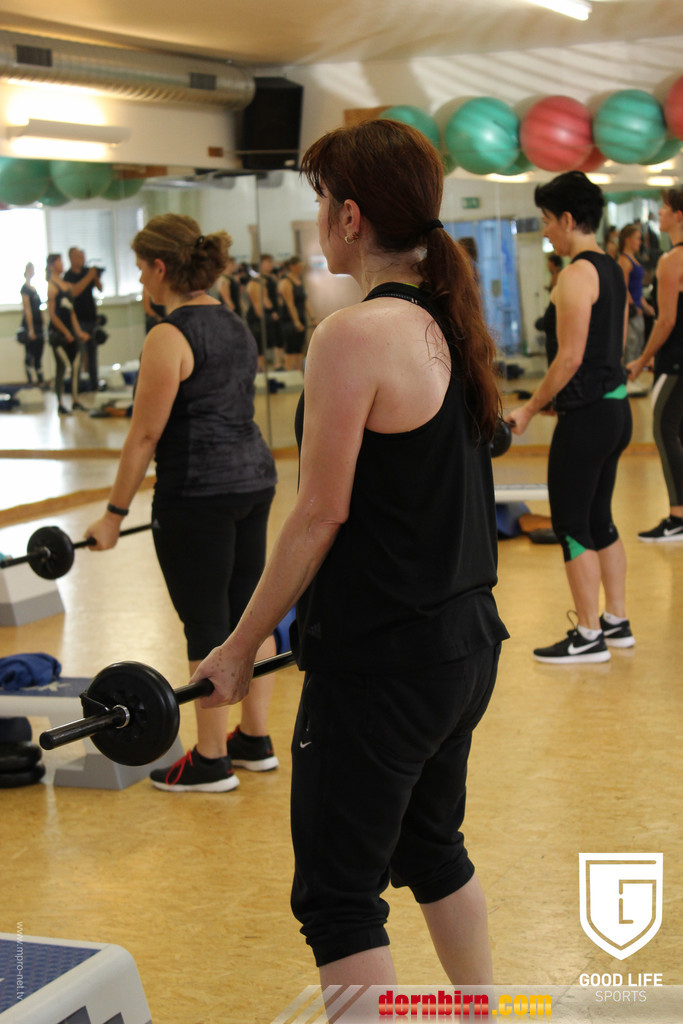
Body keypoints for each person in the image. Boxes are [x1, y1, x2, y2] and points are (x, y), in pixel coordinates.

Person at [191, 119, 508, 998]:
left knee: (336, 898)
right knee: (431, 847)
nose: (321, 216)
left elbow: (317, 515)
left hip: (383, 663)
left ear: (351, 217)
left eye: (323, 199)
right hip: (461, 647)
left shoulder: (352, 334)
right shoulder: (445, 317)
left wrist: (238, 647)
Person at [85, 214, 279, 792]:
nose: (140, 280)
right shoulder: (234, 322)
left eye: (141, 268)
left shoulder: (168, 335)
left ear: (160, 266)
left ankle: (211, 759)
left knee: (207, 624)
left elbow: (145, 434)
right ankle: (255, 739)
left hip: (197, 495)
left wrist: (113, 516)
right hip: (253, 483)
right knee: (249, 614)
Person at [509, 171, 634, 663]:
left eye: (545, 221)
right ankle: (616, 622)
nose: (545, 232)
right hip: (615, 409)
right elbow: (612, 347)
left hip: (586, 419)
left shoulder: (576, 274)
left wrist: (528, 408)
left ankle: (587, 634)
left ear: (566, 219)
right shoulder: (613, 269)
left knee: (570, 524)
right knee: (599, 518)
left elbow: (570, 358)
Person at [627, 187, 683, 542]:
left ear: (679, 215)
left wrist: (641, 360)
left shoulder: (671, 260)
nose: (659, 213)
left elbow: (666, 320)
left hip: (674, 362)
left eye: (664, 208)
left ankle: (677, 517)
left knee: (665, 432)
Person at [46, 254, 91, 415]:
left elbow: (71, 313)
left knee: (76, 366)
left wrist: (78, 332)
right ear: (52, 265)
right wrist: (65, 333)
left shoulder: (66, 285)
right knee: (62, 367)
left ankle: (75, 401)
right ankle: (60, 403)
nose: (62, 264)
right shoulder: (51, 287)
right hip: (58, 336)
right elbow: (52, 315)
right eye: (60, 262)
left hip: (71, 334)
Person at [64, 248, 103, 394]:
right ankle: (77, 388)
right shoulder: (68, 276)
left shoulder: (88, 272)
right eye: (79, 256)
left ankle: (94, 385)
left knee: (93, 354)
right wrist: (89, 276)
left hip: (91, 318)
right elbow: (74, 292)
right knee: (79, 355)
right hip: (78, 321)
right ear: (72, 258)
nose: (82, 259)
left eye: (83, 256)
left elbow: (100, 288)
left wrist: (95, 276)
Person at [618, 224, 656, 364]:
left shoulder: (633, 259)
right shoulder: (624, 261)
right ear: (628, 240)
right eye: (637, 239)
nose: (640, 242)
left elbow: (637, 289)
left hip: (637, 310)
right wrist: (634, 305)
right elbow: (623, 287)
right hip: (631, 312)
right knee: (631, 347)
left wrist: (645, 306)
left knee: (638, 346)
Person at [277, 255, 315, 371]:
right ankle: (289, 374)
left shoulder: (299, 281)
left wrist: (312, 318)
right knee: (291, 349)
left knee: (299, 349)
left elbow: (305, 301)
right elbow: (290, 304)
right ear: (292, 267)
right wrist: (296, 322)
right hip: (289, 320)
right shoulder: (286, 282)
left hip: (300, 318)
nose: (301, 268)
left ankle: (299, 374)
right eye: (299, 266)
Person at [245, 254, 282, 371]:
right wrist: (270, 313)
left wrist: (275, 311)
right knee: (259, 345)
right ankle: (260, 370)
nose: (271, 265)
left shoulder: (272, 278)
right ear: (261, 264)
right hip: (258, 317)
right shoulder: (257, 281)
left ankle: (276, 365)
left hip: (270, 314)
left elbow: (275, 297)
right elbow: (260, 302)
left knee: (276, 341)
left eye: (271, 262)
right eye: (268, 262)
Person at [19, 262, 45, 386]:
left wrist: (43, 321)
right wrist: (30, 330)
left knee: (39, 352)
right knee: (30, 353)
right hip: (31, 326)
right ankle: (30, 379)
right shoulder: (25, 289)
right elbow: (27, 309)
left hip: (38, 326)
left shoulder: (34, 290)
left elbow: (40, 308)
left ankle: (40, 378)